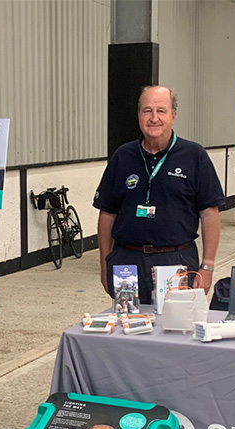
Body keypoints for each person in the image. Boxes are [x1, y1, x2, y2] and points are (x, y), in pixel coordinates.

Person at [95, 86, 224, 303]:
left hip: (176, 261)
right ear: (138, 115)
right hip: (126, 262)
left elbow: (209, 213)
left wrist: (207, 266)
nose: (154, 118)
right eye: (147, 111)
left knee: (175, 328)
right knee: (129, 327)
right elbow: (107, 214)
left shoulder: (194, 156)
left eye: (161, 111)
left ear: (173, 116)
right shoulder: (122, 156)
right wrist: (105, 264)